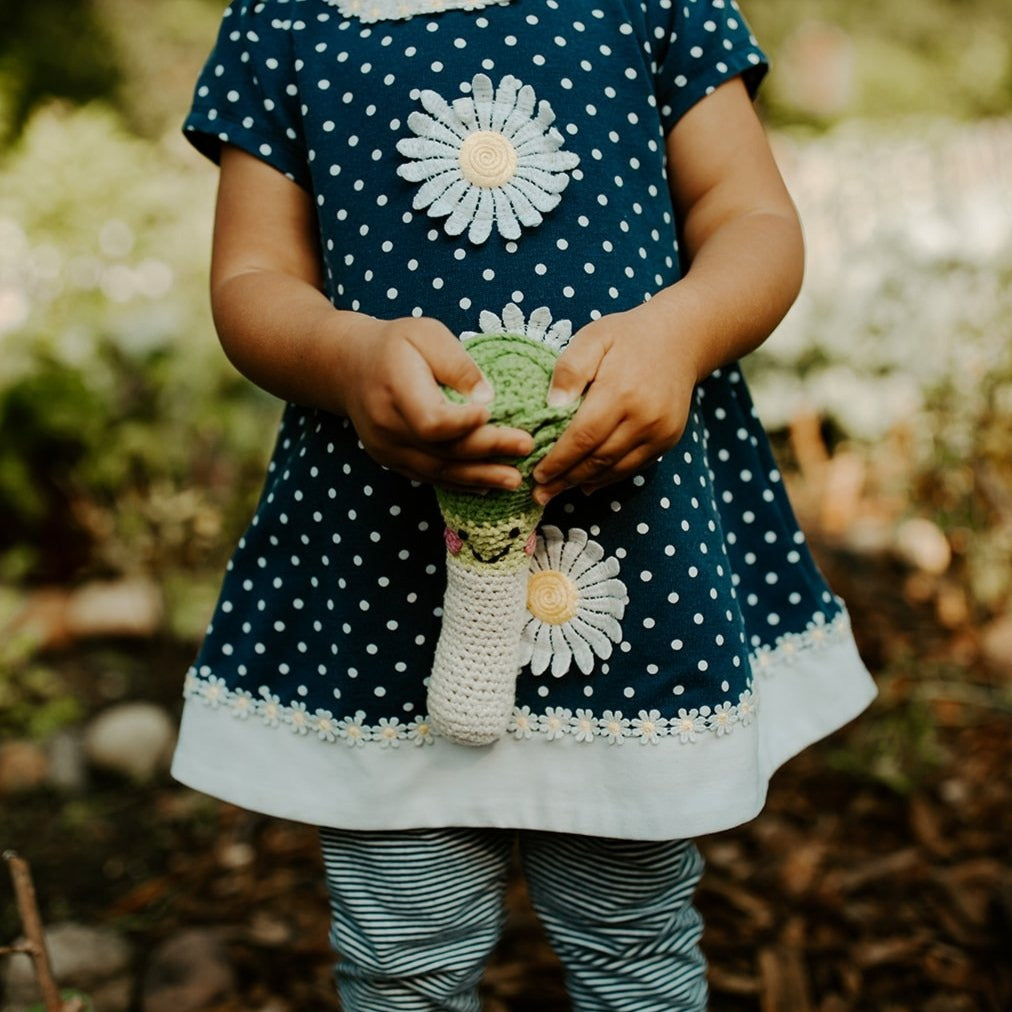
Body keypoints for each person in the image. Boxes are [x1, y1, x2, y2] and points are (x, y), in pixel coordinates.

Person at [173, 0, 877, 1007]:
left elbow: (752, 219)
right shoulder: (286, 20)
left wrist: (678, 333)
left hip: (627, 562)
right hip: (388, 570)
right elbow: (252, 276)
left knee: (633, 946)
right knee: (400, 950)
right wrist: (346, 355)